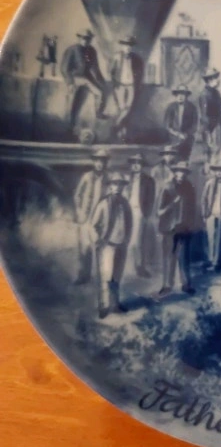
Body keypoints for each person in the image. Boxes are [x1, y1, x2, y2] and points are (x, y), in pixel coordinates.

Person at [91, 170, 133, 319]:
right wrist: (99, 240)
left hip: (121, 244)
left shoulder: (125, 203)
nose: (118, 187)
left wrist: (127, 239)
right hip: (107, 245)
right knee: (106, 277)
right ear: (110, 186)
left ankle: (115, 304)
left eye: (120, 184)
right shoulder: (104, 203)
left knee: (117, 277)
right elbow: (94, 224)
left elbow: (130, 223)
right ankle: (103, 306)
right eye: (115, 184)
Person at [157, 161, 196, 295]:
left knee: (184, 258)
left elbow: (192, 208)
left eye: (184, 172)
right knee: (169, 257)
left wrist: (190, 224)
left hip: (184, 227)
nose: (182, 174)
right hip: (169, 228)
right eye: (179, 171)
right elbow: (159, 211)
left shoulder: (189, 187)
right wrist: (173, 204)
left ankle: (186, 284)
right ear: (175, 172)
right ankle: (167, 285)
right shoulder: (167, 187)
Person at [72, 148, 109, 284]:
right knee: (84, 248)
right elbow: (77, 195)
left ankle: (102, 278)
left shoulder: (108, 178)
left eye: (102, 161)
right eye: (97, 161)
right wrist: (79, 210)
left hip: (100, 219)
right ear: (94, 162)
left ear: (105, 163)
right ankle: (83, 275)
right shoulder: (87, 177)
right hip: (86, 218)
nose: (99, 164)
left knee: (100, 247)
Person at [60, 29, 108, 129]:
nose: (85, 41)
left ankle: (99, 113)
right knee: (73, 103)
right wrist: (70, 82)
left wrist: (102, 82)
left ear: (90, 40)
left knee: (100, 92)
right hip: (74, 77)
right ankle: (70, 125)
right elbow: (64, 68)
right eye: (83, 38)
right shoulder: (72, 49)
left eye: (88, 39)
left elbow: (95, 68)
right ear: (79, 38)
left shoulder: (92, 51)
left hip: (86, 78)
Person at [124, 153, 155, 278]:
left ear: (142, 166)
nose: (136, 166)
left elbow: (151, 199)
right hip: (126, 211)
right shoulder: (127, 179)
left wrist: (145, 214)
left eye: (139, 163)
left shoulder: (148, 180)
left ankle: (139, 266)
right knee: (125, 238)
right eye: (134, 163)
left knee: (136, 241)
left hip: (138, 211)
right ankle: (127, 267)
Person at [111, 36, 144, 138]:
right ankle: (121, 131)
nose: (128, 47)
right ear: (122, 46)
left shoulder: (137, 59)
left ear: (132, 47)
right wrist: (115, 84)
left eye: (130, 45)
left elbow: (140, 73)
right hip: (120, 85)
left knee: (128, 108)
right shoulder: (116, 57)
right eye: (125, 45)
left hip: (131, 86)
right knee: (122, 108)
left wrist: (138, 84)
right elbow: (111, 71)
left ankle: (116, 126)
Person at [164, 86, 199, 160]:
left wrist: (186, 134)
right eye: (178, 94)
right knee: (171, 158)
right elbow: (167, 125)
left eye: (183, 94)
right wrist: (177, 134)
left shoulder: (192, 108)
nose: (180, 97)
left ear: (186, 96)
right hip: (173, 137)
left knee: (184, 158)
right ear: (176, 96)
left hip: (187, 138)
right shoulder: (171, 107)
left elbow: (194, 125)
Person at [198, 67, 221, 154]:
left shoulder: (216, 93)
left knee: (217, 151)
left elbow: (220, 109)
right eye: (215, 78)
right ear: (210, 80)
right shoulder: (204, 94)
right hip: (209, 128)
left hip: (217, 126)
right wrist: (208, 132)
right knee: (210, 151)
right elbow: (204, 115)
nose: (218, 80)